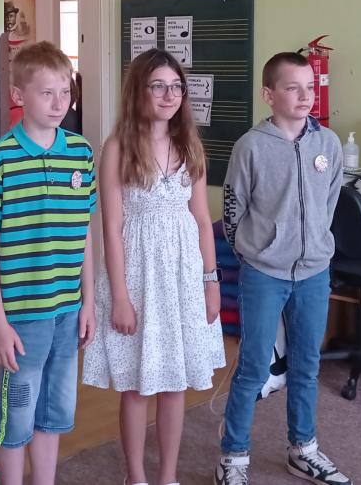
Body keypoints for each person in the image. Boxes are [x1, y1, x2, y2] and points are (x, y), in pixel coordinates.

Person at [83, 48, 225, 485]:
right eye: (158, 86)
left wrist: (211, 281)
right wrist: (120, 297)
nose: (169, 95)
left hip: (183, 277)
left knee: (174, 381)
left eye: (176, 87)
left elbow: (202, 219)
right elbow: (111, 226)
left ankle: (167, 477)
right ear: (138, 91)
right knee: (136, 383)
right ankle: (137, 477)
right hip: (137, 277)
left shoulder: (189, 146)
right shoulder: (118, 148)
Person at [214, 52, 351, 485]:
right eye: (293, 88)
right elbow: (233, 212)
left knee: (307, 364)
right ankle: (233, 457)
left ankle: (303, 448)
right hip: (264, 273)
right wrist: (257, 254)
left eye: (310, 87)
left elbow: (329, 201)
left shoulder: (327, 144)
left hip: (314, 272)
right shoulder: (251, 147)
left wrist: (314, 245)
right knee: (254, 367)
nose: (305, 96)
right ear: (269, 94)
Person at [0, 41, 98, 485]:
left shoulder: (81, 152)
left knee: (55, 412)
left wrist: (88, 302)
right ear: (19, 96)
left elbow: (85, 235)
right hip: (21, 315)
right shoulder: (1, 157)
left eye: (65, 92)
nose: (59, 102)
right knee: (17, 417)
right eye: (46, 93)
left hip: (68, 310)